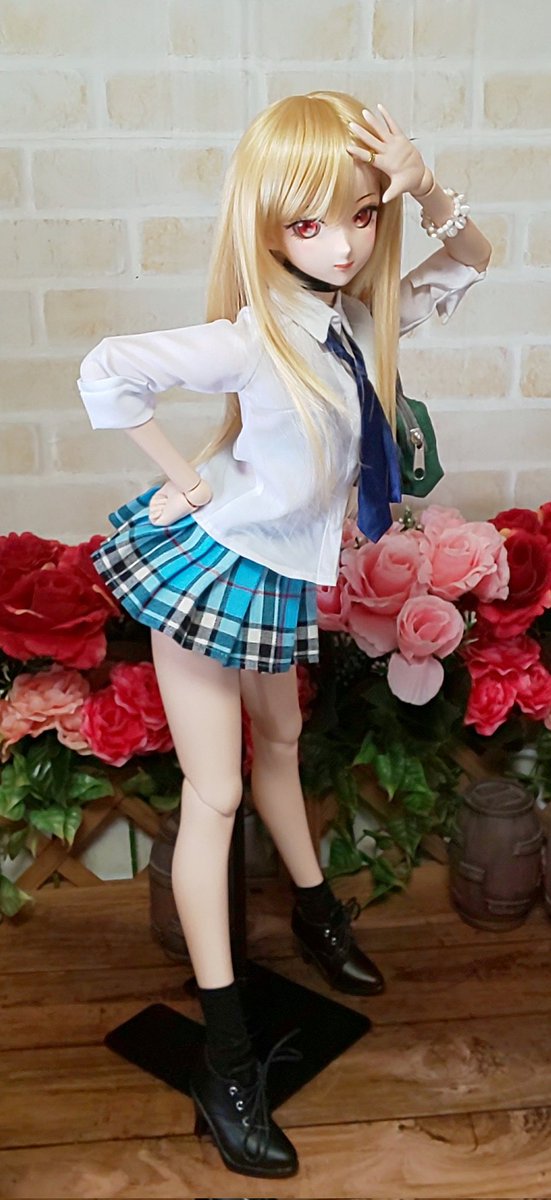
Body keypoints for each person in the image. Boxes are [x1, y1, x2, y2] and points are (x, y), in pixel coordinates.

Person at [77, 91, 491, 1179]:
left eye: (358, 216)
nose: (342, 244)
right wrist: (180, 479)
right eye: (309, 223)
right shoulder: (254, 337)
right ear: (264, 224)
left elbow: (471, 258)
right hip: (212, 572)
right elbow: (108, 367)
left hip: (277, 578)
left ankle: (312, 916)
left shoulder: (349, 323)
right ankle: (224, 1057)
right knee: (214, 794)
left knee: (280, 744)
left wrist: (421, 181)